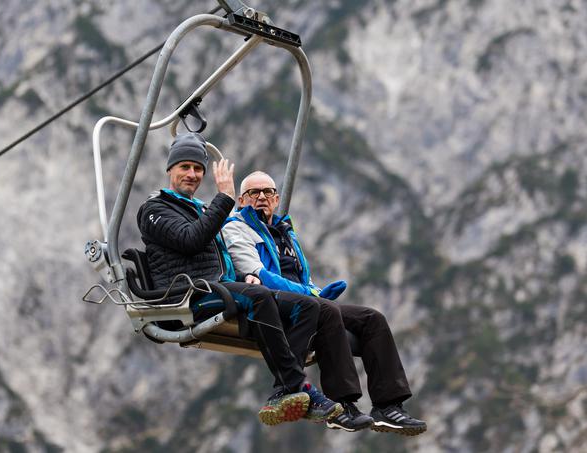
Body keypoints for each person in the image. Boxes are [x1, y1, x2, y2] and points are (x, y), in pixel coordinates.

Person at [136, 133, 342, 426]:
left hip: (217, 285)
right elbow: (191, 240)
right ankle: (298, 387)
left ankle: (285, 390)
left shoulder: (200, 209)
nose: (192, 174)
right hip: (187, 294)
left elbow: (219, 252)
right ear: (170, 169)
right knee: (258, 298)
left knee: (306, 305)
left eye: (198, 169)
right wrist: (225, 198)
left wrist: (245, 274)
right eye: (184, 167)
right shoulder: (155, 210)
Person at [222, 170, 428, 436]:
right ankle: (344, 404)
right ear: (241, 200)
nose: (262, 197)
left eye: (268, 192)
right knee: (325, 309)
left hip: (305, 299)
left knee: (372, 319)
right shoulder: (237, 227)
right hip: (273, 302)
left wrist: (314, 290)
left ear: (276, 198)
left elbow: (300, 275)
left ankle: (388, 406)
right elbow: (259, 274)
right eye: (254, 193)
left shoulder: (284, 231)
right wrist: (311, 294)